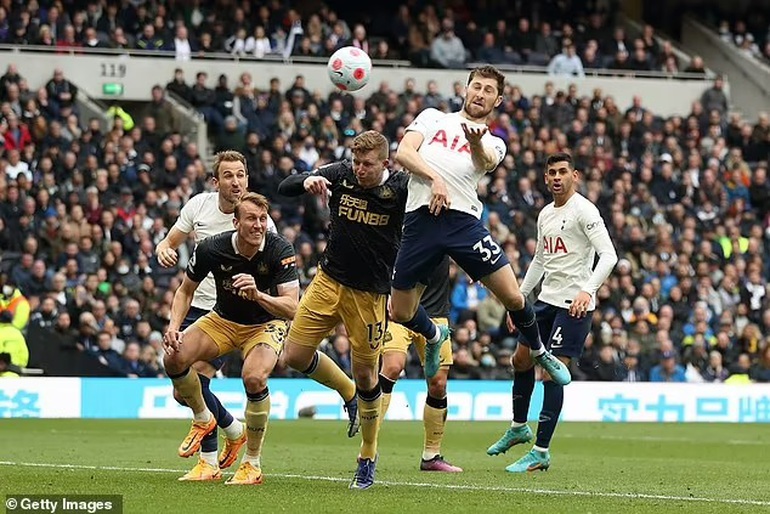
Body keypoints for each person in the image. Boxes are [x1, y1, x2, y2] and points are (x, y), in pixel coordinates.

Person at [388, 65, 570, 386]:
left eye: (489, 90)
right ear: (465, 89)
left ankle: (540, 351)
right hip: (421, 220)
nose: (480, 94)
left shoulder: (495, 141)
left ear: (497, 100)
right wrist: (435, 179)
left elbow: (484, 161)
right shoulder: (433, 117)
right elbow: (404, 152)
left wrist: (474, 143)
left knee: (514, 298)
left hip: (462, 223)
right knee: (400, 311)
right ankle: (433, 335)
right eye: (477, 86)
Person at [276, 130, 409, 490]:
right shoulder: (341, 174)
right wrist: (309, 180)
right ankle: (348, 395)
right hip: (327, 281)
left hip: (369, 295)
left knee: (368, 376)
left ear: (385, 163)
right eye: (356, 162)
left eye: (368, 164)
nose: (360, 170)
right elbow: (284, 186)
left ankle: (367, 455)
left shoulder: (401, 189)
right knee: (294, 355)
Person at [487, 152, 617, 472]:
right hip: (545, 300)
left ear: (575, 176)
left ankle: (541, 451)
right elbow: (541, 261)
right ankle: (519, 428)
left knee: (552, 372)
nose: (556, 177)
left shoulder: (585, 211)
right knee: (519, 360)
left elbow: (609, 256)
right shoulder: (545, 214)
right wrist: (518, 298)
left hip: (573, 304)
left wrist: (588, 290)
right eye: (551, 173)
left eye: (562, 172)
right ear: (545, 179)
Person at [155, 150, 277, 481]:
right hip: (199, 305)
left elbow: (273, 267)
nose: (235, 181)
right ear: (216, 181)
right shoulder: (198, 206)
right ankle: (230, 430)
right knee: (184, 390)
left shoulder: (259, 220)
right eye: (228, 175)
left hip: (231, 312)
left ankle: (210, 460)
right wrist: (164, 249)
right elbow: (169, 241)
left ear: (247, 179)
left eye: (240, 175)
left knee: (197, 381)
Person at [162, 192, 299, 485]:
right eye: (251, 218)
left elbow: (291, 307)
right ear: (235, 222)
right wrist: (174, 325)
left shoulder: (279, 248)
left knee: (253, 378)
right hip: (223, 320)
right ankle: (203, 417)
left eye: (263, 219)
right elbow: (185, 290)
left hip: (265, 324)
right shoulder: (212, 247)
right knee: (173, 357)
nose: (258, 225)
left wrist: (259, 295)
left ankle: (252, 463)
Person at [379, 256, 462, 472]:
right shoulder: (400, 225)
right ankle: (368, 449)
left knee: (438, 384)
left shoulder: (448, 224)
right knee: (392, 367)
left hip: (436, 313)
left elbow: (465, 242)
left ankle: (431, 456)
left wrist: (478, 270)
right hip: (399, 311)